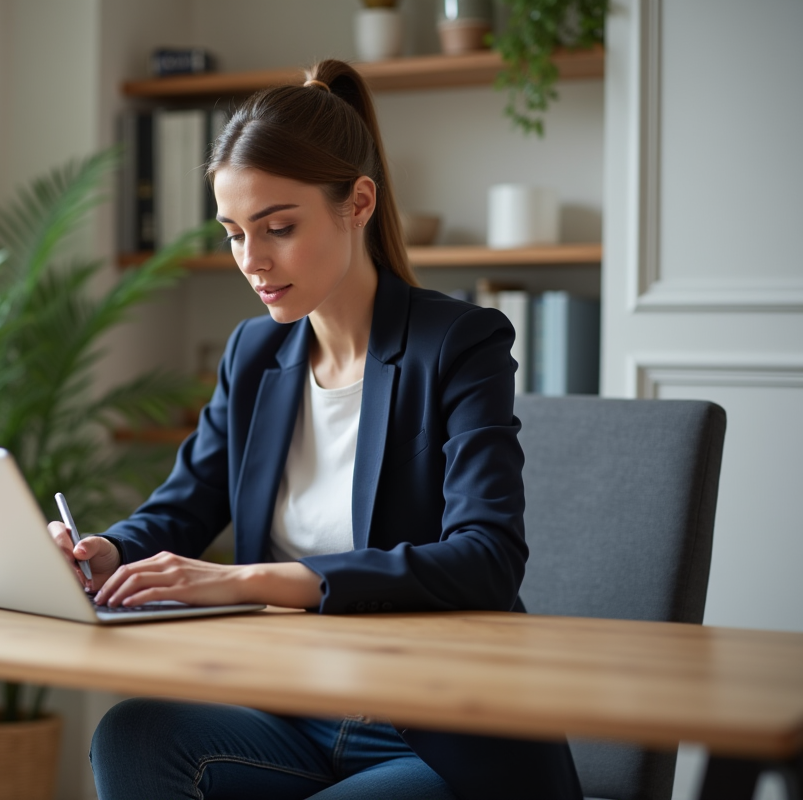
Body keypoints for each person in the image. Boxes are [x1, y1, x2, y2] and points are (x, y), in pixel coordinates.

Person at [48, 59, 583, 800]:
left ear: (357, 202)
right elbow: (184, 507)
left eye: (278, 228)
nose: (252, 261)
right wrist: (107, 550)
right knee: (133, 734)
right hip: (291, 713)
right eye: (234, 234)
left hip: (431, 734)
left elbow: (486, 559)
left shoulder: (459, 343)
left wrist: (248, 581)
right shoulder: (254, 352)